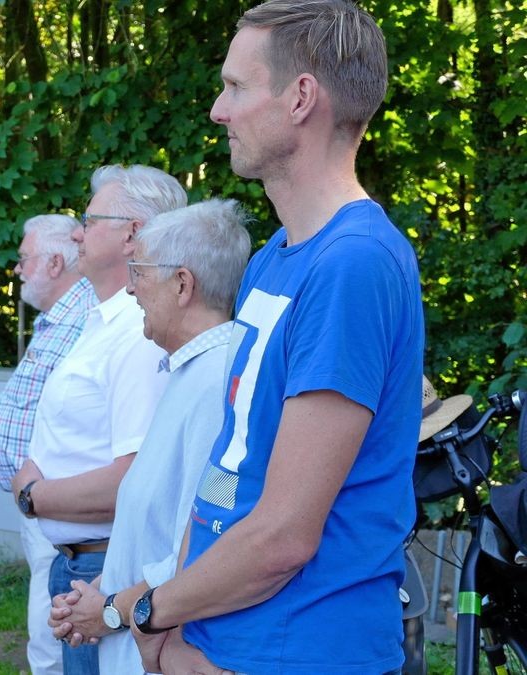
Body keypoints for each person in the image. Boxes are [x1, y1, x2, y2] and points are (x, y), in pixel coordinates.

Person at [130, 2, 425, 673]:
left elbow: (285, 533)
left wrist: (152, 611)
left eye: (236, 86)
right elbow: (227, 470)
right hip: (224, 641)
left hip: (304, 651)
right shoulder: (273, 258)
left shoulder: (354, 262)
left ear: (300, 98)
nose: (217, 110)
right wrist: (171, 626)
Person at [43, 200, 252, 674]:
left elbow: (200, 542)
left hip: (168, 653)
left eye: (140, 270)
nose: (132, 286)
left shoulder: (216, 384)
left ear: (182, 284)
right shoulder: (190, 372)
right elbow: (158, 526)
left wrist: (110, 611)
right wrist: (100, 595)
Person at [9, 164, 184, 674]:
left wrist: (34, 497)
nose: (78, 233)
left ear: (133, 234)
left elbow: (137, 478)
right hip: (82, 563)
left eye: (89, 220)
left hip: (104, 569)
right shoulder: (104, 318)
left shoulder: (137, 330)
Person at [0, 213, 95, 675]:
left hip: (64, 505)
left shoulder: (88, 314)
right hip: (41, 501)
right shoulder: (62, 316)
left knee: (55, 631)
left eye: (23, 258)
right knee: (48, 625)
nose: (17, 269)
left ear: (54, 262)